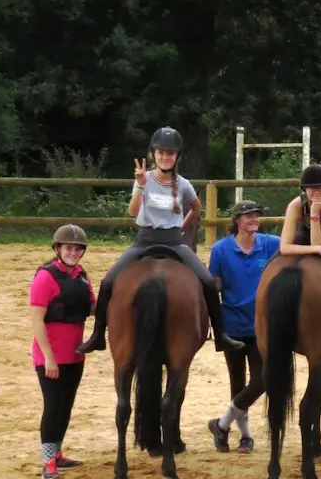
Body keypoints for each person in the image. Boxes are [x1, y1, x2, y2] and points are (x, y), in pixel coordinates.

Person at [79, 127, 242, 354]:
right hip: (144, 240)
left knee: (206, 281)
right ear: (153, 154)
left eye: (170, 153)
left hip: (174, 241)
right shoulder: (143, 179)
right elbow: (132, 211)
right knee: (108, 282)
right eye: (161, 152)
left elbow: (195, 208)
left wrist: (181, 228)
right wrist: (141, 185)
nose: (165, 157)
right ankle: (97, 335)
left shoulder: (183, 184)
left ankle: (221, 335)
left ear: (177, 157)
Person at [205, 201, 279, 454]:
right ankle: (245, 437)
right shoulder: (220, 250)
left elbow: (293, 247)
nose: (255, 219)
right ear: (237, 220)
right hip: (232, 324)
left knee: (263, 379)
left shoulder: (271, 244)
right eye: (249, 216)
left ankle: (221, 424)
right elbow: (214, 285)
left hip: (260, 326)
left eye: (257, 215)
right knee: (237, 383)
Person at [30, 225, 95, 479]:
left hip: (75, 355)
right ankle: (48, 461)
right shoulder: (45, 277)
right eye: (69, 248)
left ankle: (57, 453)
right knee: (54, 406)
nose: (74, 252)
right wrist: (48, 357)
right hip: (51, 357)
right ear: (58, 249)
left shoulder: (81, 275)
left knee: (66, 406)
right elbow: (36, 320)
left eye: (78, 249)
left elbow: (91, 307)